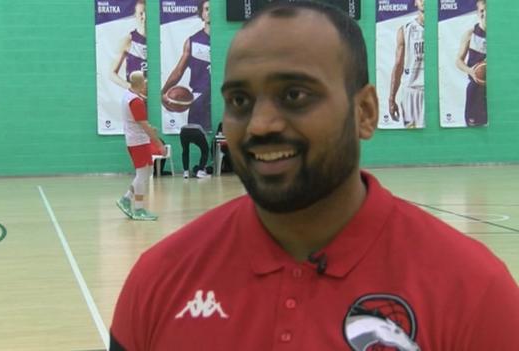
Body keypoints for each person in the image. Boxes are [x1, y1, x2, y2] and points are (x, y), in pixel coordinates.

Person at [109, 2, 519, 350]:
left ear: (365, 112)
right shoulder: (158, 282)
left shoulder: (475, 292)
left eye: (295, 95)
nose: (260, 124)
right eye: (239, 99)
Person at [161, 0, 212, 178]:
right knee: (201, 142)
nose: (210, 12)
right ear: (201, 13)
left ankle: (198, 169)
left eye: (212, 9)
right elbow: (178, 71)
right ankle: (199, 170)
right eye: (206, 9)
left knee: (212, 141)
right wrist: (164, 91)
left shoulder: (224, 40)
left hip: (217, 98)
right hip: (199, 100)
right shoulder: (192, 41)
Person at [116, 71, 165, 221]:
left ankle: (126, 199)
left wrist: (149, 128)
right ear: (140, 84)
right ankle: (138, 209)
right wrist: (158, 144)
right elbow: (143, 124)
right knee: (143, 174)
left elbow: (138, 122)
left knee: (146, 172)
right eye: (144, 81)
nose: (146, 84)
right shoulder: (136, 101)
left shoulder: (127, 95)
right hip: (138, 141)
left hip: (136, 139)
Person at [388, 0, 425, 128]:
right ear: (415, 2)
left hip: (433, 93)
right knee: (412, 138)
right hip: (411, 92)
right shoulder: (405, 30)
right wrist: (391, 98)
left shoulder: (441, 28)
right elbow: (398, 65)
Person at [456, 0, 487, 127]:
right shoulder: (470, 34)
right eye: (481, 11)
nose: (484, 14)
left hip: (494, 90)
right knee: (474, 128)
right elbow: (458, 61)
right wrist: (471, 71)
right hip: (476, 90)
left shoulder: (500, 35)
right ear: (477, 12)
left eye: (487, 11)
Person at [110, 0, 147, 90]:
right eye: (141, 13)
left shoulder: (158, 39)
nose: (144, 17)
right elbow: (112, 73)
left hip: (152, 94)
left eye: (147, 13)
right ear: (135, 15)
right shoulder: (128, 40)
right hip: (135, 97)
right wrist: (130, 87)